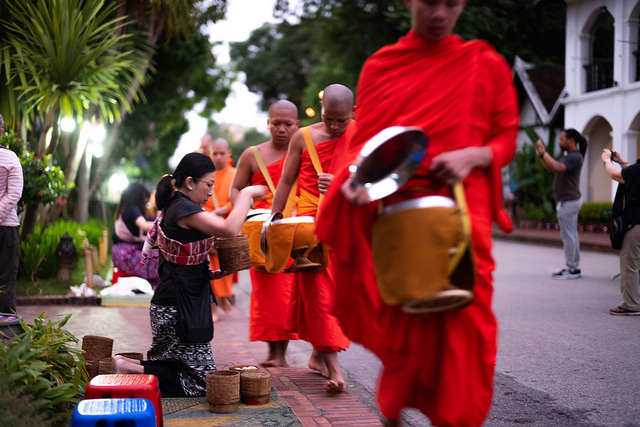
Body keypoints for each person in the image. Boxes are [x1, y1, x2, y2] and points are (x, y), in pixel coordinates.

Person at [315, 1, 519, 425]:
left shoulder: (484, 63)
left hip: (462, 212)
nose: (440, 13)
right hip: (399, 217)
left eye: (451, 3)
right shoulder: (381, 66)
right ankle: (395, 411)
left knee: (468, 327)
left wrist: (473, 155)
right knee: (404, 328)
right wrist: (353, 180)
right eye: (430, 2)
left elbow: (505, 138)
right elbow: (365, 144)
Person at [113, 152, 267, 396]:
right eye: (209, 185)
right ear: (190, 182)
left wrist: (209, 274)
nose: (210, 191)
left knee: (172, 366)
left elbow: (180, 259)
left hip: (172, 303)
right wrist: (246, 194)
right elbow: (228, 229)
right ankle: (126, 367)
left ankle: (126, 364)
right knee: (202, 383)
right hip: (178, 308)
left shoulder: (176, 207)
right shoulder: (184, 208)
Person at [269, 84, 353, 393]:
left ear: (352, 115)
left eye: (340, 121)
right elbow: (286, 181)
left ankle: (318, 356)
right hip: (309, 229)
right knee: (319, 295)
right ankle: (333, 367)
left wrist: (344, 181)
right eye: (328, 118)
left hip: (346, 222)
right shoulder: (302, 137)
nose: (333, 127)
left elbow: (374, 178)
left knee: (341, 297)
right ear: (321, 112)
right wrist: (273, 220)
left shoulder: (362, 135)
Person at [230, 99, 300, 367]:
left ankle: (281, 354)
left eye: (287, 124)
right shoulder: (252, 155)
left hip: (293, 229)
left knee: (287, 293)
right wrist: (247, 201)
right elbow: (235, 189)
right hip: (261, 232)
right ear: (268, 123)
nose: (281, 129)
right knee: (267, 293)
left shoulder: (305, 152)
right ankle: (273, 353)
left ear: (297, 125)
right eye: (276, 123)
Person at [535, 129, 587, 280]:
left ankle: (571, 269)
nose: (559, 142)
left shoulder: (574, 157)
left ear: (571, 140)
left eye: (561, 139)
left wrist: (544, 153)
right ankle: (574, 268)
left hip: (568, 202)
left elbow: (558, 167)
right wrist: (541, 155)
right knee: (572, 236)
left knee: (569, 237)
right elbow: (551, 168)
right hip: (569, 201)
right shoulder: (570, 156)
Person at [199, 136, 236, 320]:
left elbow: (240, 201)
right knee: (207, 267)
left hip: (228, 227)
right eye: (215, 153)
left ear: (229, 153)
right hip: (207, 226)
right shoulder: (205, 175)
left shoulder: (235, 174)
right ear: (210, 154)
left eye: (222, 153)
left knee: (225, 267)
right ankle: (213, 307)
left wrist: (221, 210)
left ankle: (223, 299)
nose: (219, 157)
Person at [601, 148, 640, 315]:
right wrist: (621, 160)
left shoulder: (637, 170)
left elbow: (616, 175)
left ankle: (631, 305)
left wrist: (606, 161)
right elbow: (632, 174)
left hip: (636, 223)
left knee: (630, 264)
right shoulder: (637, 171)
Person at [111, 183, 158, 288]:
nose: (146, 202)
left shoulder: (125, 209)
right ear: (139, 197)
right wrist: (165, 222)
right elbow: (145, 226)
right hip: (126, 255)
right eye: (145, 198)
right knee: (156, 258)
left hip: (119, 254)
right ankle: (153, 289)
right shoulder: (132, 209)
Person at [0, 113, 23, 314]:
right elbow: (14, 193)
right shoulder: (10, 157)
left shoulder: (10, 157)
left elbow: (14, 193)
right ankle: (7, 338)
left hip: (6, 228)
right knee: (6, 280)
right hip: (6, 228)